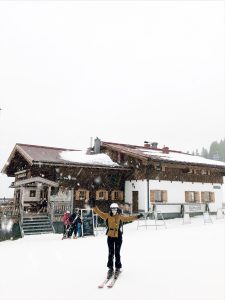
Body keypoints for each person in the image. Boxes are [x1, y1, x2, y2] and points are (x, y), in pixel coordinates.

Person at [89, 198, 142, 279]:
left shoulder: (120, 216)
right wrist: (94, 206)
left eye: (115, 209)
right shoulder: (107, 215)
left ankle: (117, 267)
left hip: (118, 236)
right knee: (110, 253)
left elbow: (129, 218)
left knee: (117, 253)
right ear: (110, 209)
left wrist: (137, 216)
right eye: (112, 209)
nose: (114, 210)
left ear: (117, 209)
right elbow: (99, 213)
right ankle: (110, 268)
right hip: (110, 236)